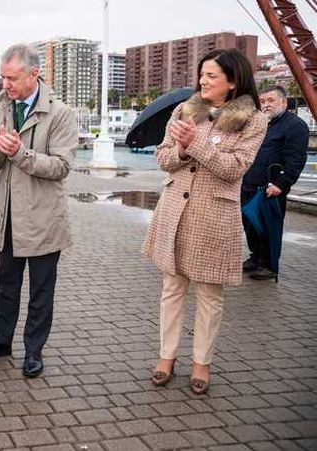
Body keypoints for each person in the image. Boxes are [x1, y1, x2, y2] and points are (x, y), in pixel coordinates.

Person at [142, 48, 267, 395]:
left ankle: (202, 363)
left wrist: (195, 145)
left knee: (210, 294)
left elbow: (234, 169)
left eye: (211, 75)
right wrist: (182, 149)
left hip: (214, 216)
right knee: (172, 288)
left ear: (233, 80)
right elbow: (164, 158)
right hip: (174, 211)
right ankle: (166, 357)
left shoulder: (253, 120)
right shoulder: (185, 110)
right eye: (202, 74)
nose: (203, 81)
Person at [0, 44, 77, 378]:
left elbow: (60, 166)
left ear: (34, 74)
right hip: (8, 220)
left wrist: (19, 152)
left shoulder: (60, 114)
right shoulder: (0, 108)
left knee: (41, 293)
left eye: (12, 78)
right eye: (2, 77)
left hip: (44, 221)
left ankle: (34, 351)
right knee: (5, 287)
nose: (6, 85)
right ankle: (0, 343)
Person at [241, 85, 309, 281]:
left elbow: (296, 160)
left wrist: (281, 184)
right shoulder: (263, 124)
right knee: (251, 226)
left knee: (268, 227)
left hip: (271, 188)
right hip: (250, 185)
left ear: (283, 102)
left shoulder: (295, 126)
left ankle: (269, 265)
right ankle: (256, 258)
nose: (266, 105)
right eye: (262, 102)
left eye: (270, 101)